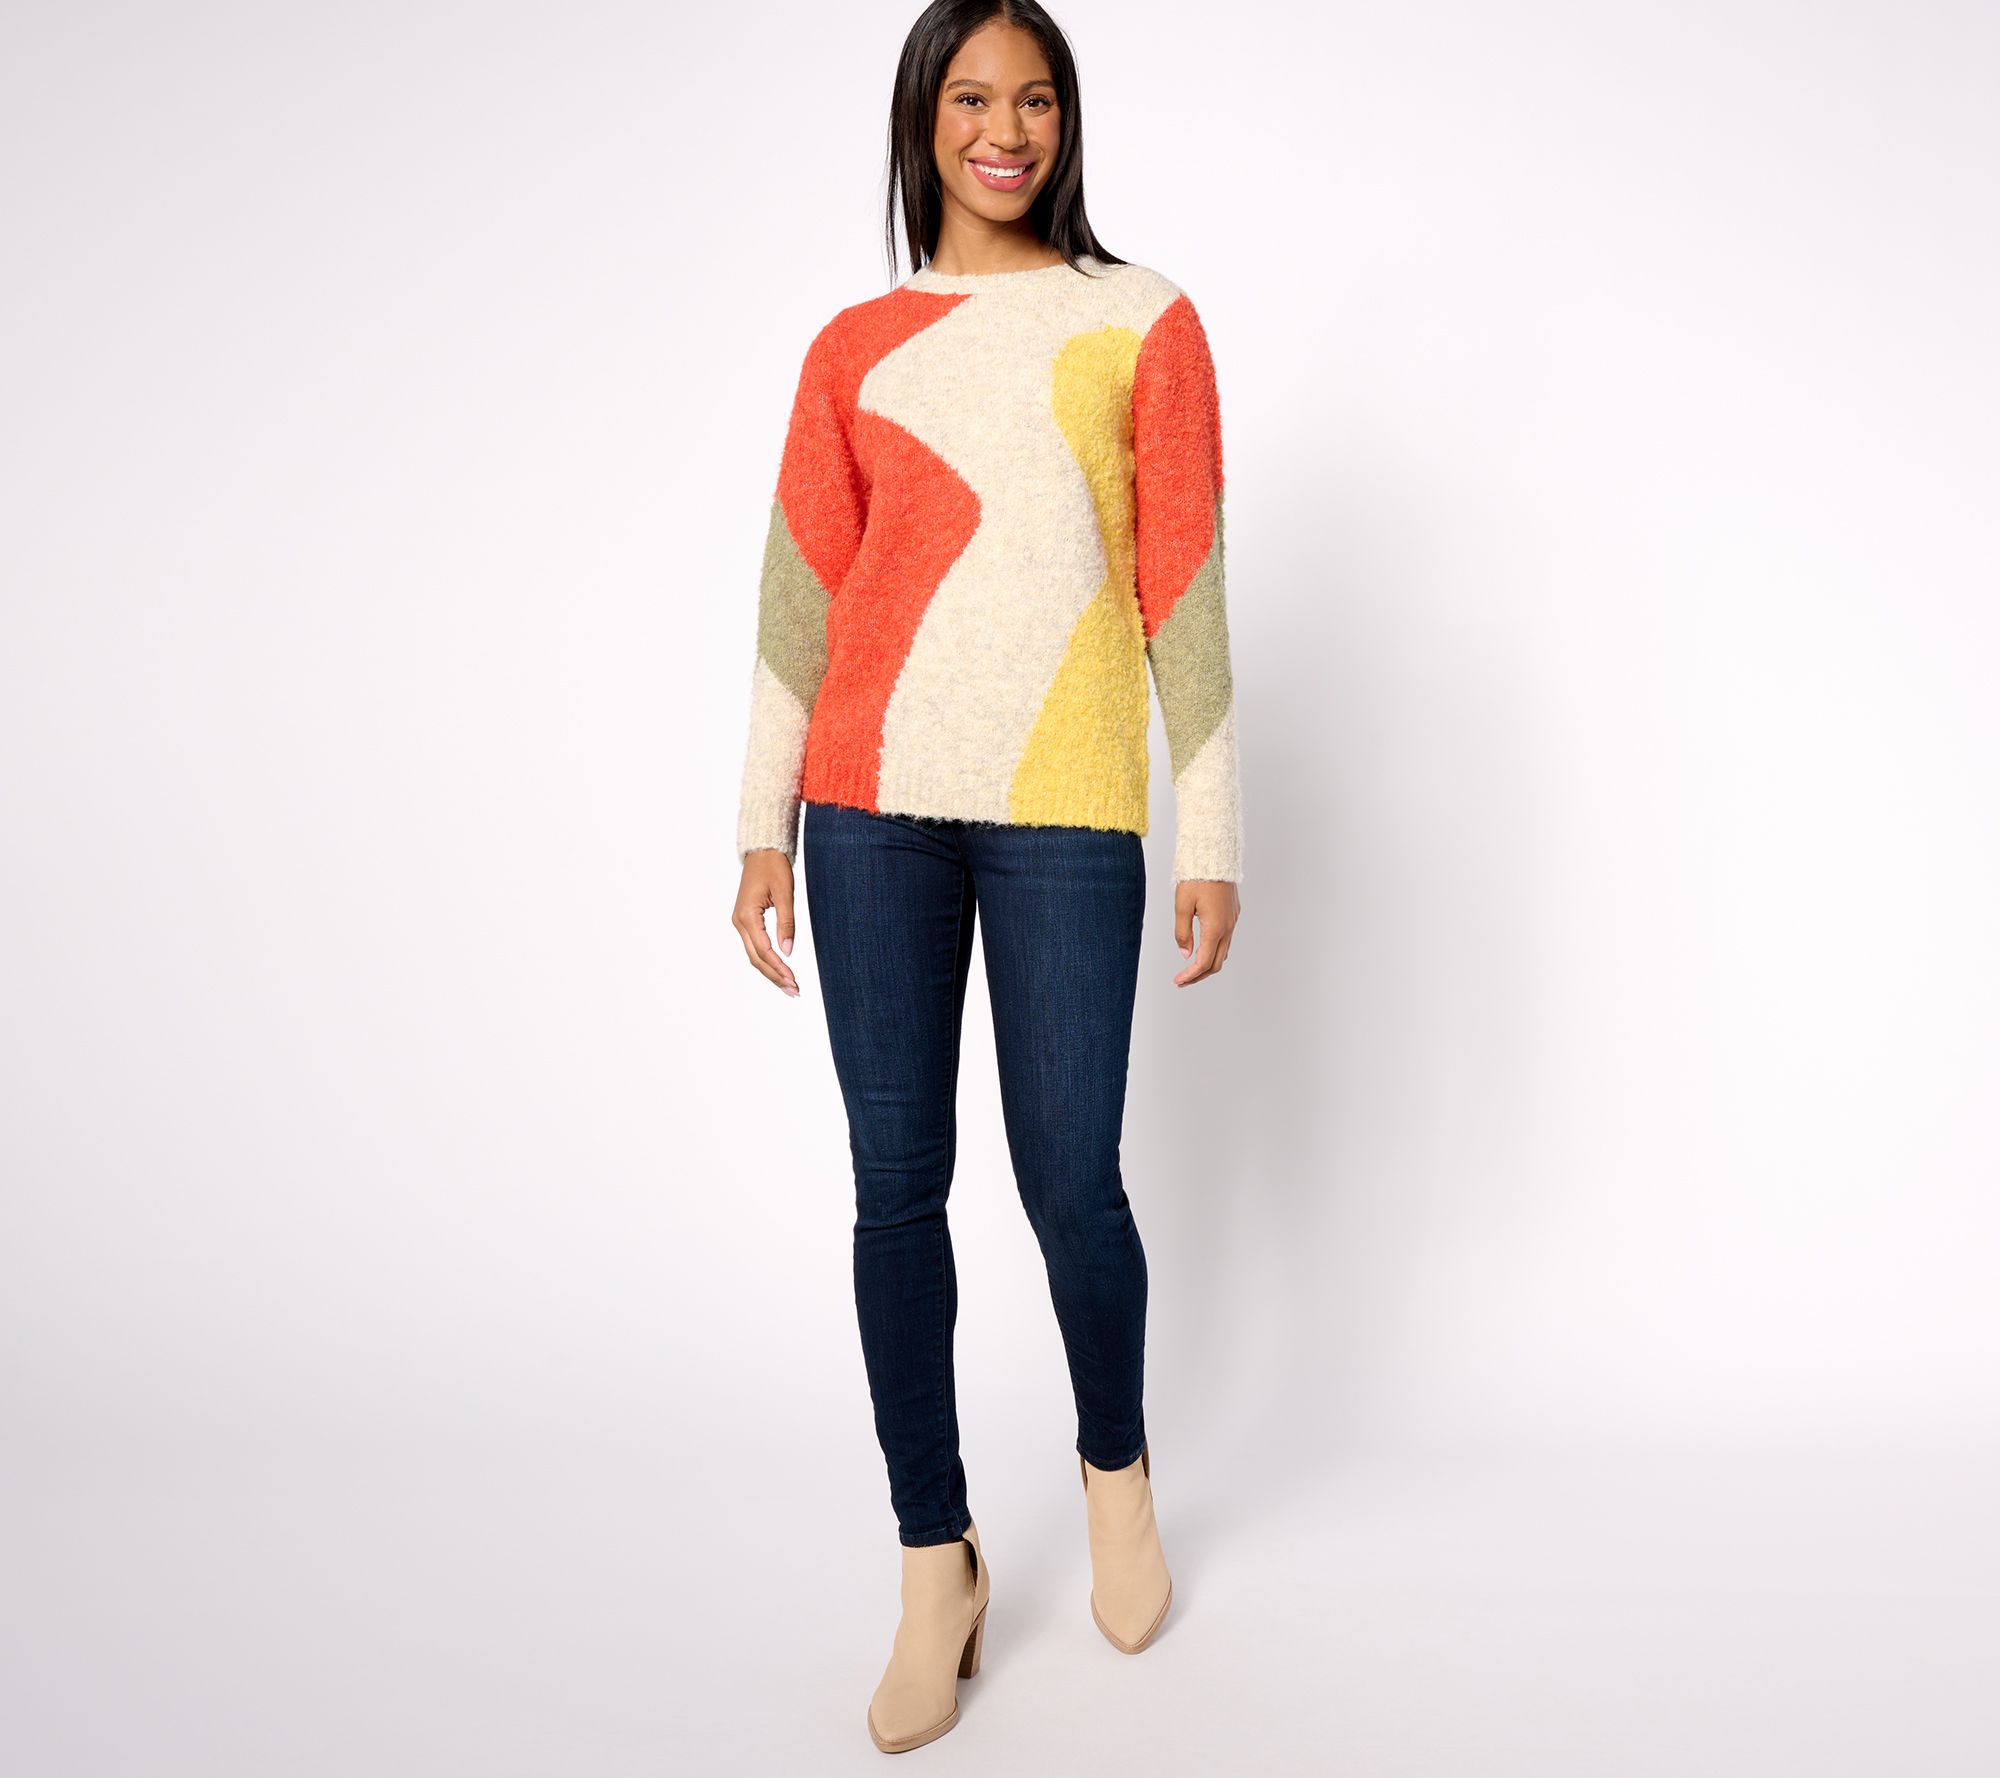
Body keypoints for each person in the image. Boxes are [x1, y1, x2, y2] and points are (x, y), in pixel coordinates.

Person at [729, 0, 1243, 1752]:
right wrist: (761, 823)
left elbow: (1186, 586)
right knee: (896, 1188)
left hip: (1065, 803)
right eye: (971, 98)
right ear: (924, 119)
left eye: (1033, 99)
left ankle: (1116, 1469)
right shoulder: (853, 347)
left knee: (1071, 1179)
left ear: (1065, 122)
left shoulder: (1142, 320)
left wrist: (1211, 831)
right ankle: (931, 1560)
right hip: (868, 805)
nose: (1004, 130)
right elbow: (801, 597)